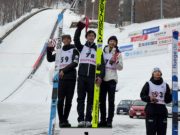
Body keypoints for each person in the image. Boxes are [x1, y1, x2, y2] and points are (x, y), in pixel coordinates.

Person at [74, 20, 105, 127]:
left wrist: (100, 76)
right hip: (82, 77)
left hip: (92, 78)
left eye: (93, 36)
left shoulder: (98, 50)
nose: (91, 37)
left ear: (95, 38)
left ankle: (88, 119)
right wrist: (79, 28)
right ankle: (80, 119)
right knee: (81, 99)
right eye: (89, 36)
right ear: (86, 37)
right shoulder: (82, 47)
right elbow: (76, 39)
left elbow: (102, 65)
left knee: (90, 100)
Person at [47, 35, 79, 127]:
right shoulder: (59, 51)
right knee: (60, 100)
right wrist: (49, 49)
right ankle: (61, 120)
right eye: (64, 39)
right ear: (62, 41)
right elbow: (49, 59)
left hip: (71, 77)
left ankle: (65, 119)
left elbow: (75, 63)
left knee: (68, 101)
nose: (65, 40)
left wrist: (63, 70)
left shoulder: (74, 49)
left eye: (67, 39)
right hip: (61, 79)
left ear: (70, 40)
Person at [99, 36, 123, 127]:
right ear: (108, 42)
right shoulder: (102, 52)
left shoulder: (118, 53)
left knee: (110, 101)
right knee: (102, 101)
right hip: (103, 78)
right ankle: (102, 120)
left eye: (114, 41)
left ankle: (109, 120)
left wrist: (116, 62)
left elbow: (121, 68)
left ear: (116, 43)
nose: (112, 43)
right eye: (111, 41)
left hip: (112, 79)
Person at [140, 67, 172, 135]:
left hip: (162, 111)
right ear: (152, 74)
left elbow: (167, 100)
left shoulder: (165, 85)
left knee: (162, 132)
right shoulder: (148, 84)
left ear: (161, 74)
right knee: (151, 132)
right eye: (155, 71)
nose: (157, 73)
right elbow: (142, 96)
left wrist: (171, 94)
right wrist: (149, 98)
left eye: (159, 71)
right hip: (151, 110)